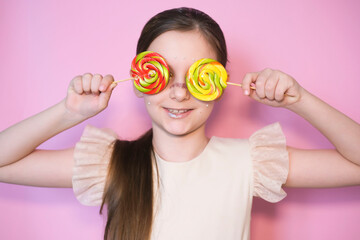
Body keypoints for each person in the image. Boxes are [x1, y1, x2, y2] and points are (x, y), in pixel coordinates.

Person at [0, 7, 359, 240]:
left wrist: (301, 100)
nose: (179, 92)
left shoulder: (250, 162)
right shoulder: (111, 163)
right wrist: (69, 112)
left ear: (218, 85)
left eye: (197, 76)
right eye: (162, 74)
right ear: (141, 80)